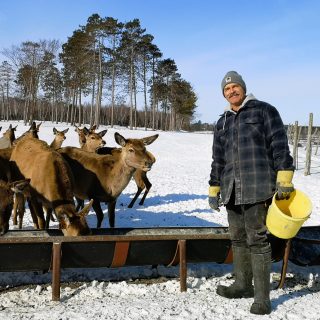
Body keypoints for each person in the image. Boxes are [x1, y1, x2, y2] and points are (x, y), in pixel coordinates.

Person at [208, 71, 294, 315]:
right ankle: (242, 285)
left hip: (258, 186)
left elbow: (279, 145)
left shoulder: (264, 110)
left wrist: (284, 177)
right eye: (226, 89)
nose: (231, 91)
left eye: (235, 86)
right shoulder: (222, 121)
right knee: (237, 238)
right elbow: (218, 159)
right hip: (231, 189)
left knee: (257, 240)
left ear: (243, 88)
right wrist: (214, 187)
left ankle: (262, 297)